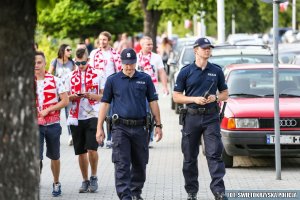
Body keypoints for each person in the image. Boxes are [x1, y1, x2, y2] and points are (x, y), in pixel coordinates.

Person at [96, 48, 163, 200]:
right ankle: (125, 196)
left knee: (140, 163)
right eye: (126, 64)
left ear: (135, 62)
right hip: (120, 128)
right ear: (121, 63)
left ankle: (135, 193)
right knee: (121, 164)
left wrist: (158, 125)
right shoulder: (113, 80)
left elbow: (153, 102)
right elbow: (105, 104)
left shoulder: (145, 79)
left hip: (140, 128)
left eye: (131, 64)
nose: (128, 67)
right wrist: (99, 127)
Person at [172, 38, 229, 200]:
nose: (207, 50)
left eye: (209, 48)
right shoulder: (185, 71)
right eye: (204, 48)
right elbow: (176, 97)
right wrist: (194, 99)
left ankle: (219, 191)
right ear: (195, 50)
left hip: (211, 116)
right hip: (191, 117)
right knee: (189, 156)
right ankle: (191, 191)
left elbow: (225, 94)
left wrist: (215, 97)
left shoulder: (216, 71)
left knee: (214, 154)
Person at [67, 48, 104, 193]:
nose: (80, 65)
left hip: (93, 114)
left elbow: (104, 96)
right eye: (77, 63)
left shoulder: (98, 74)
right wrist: (73, 96)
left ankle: (94, 176)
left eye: (83, 62)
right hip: (76, 117)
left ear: (88, 60)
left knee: (91, 149)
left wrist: (91, 96)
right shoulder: (70, 76)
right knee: (81, 152)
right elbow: (65, 97)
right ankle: (85, 180)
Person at [35, 51, 69, 197]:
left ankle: (56, 182)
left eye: (39, 62)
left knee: (54, 156)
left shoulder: (55, 80)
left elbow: (65, 101)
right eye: (34, 63)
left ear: (45, 63)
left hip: (53, 124)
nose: (36, 65)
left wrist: (49, 109)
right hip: (35, 126)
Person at [89, 31, 122, 148]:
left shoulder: (115, 54)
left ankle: (109, 138)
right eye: (100, 39)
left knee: (109, 114)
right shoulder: (94, 53)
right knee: (98, 113)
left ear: (109, 40)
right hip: (96, 86)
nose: (102, 42)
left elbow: (118, 71)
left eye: (104, 40)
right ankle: (99, 137)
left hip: (110, 85)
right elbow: (90, 69)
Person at [137, 36, 169, 146]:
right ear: (142, 45)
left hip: (152, 89)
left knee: (149, 113)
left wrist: (165, 86)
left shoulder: (156, 57)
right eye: (148, 44)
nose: (150, 46)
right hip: (137, 90)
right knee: (141, 113)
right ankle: (141, 136)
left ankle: (149, 138)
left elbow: (161, 72)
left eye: (151, 44)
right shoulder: (136, 58)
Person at [49, 44, 76, 146]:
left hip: (68, 92)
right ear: (62, 51)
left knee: (69, 114)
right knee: (55, 114)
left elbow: (75, 75)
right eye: (68, 50)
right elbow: (50, 74)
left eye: (71, 49)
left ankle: (71, 136)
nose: (70, 51)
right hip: (56, 92)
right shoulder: (55, 61)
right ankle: (54, 136)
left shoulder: (72, 62)